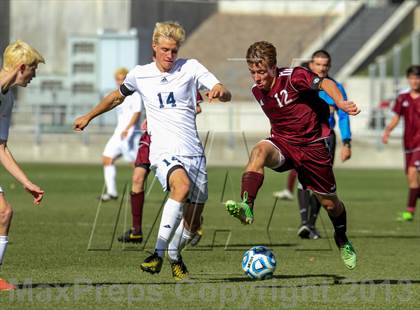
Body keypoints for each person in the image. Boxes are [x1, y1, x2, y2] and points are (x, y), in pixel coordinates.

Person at [74, 21, 231, 280]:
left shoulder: (190, 67)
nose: (170, 55)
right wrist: (89, 116)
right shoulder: (140, 74)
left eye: (174, 51)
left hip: (193, 151)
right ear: (155, 47)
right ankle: (157, 253)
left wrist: (220, 92)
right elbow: (116, 96)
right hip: (163, 150)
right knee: (180, 188)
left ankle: (173, 253)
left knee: (193, 225)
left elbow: (223, 90)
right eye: (166, 50)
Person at [225, 41, 359, 270]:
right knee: (258, 152)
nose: (257, 78)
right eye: (252, 72)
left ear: (274, 67)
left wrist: (339, 102)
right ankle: (247, 206)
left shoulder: (294, 77)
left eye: (261, 71)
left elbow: (325, 82)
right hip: (283, 144)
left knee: (330, 204)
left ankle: (341, 238)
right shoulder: (257, 91)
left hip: (313, 146)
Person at [118, 94, 203, 245]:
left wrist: (169, 117)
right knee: (137, 178)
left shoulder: (186, 75)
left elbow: (197, 108)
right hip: (150, 137)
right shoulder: (149, 76)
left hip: (174, 140)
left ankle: (193, 223)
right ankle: (136, 230)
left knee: (181, 187)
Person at [0, 40, 45, 290]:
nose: (34, 76)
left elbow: (1, 148)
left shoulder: (7, 100)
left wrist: (27, 182)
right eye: (33, 69)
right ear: (21, 67)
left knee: (3, 212)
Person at [382, 65, 420, 222]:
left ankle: (409, 212)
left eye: (417, 78)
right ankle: (410, 211)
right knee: (411, 179)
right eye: (412, 78)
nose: (415, 81)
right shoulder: (402, 98)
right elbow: (397, 117)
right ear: (408, 79)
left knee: (412, 173)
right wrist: (387, 131)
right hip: (408, 143)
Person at [99, 68, 142, 202]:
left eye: (123, 78)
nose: (120, 81)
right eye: (118, 79)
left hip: (130, 133)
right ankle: (112, 193)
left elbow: (137, 113)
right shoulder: (118, 95)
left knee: (135, 164)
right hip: (119, 133)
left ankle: (138, 192)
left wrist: (128, 128)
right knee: (107, 159)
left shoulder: (135, 94)